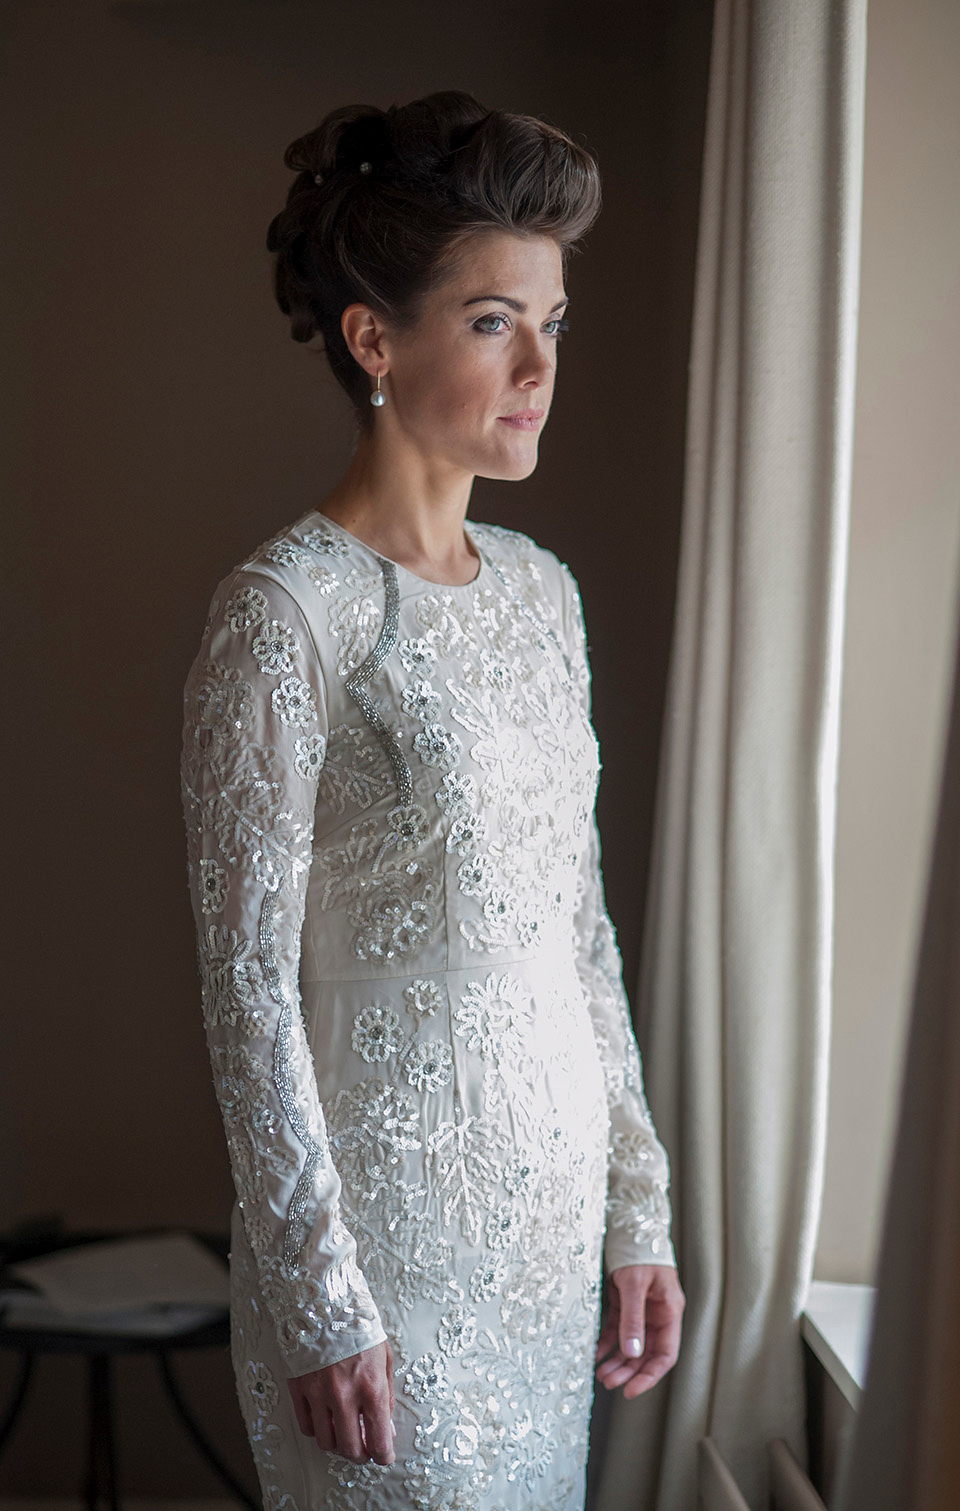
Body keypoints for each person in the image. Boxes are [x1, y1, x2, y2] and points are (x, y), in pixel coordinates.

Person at [180, 90, 685, 1511]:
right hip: (382, 1243)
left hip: (546, 1222)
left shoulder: (545, 597)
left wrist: (637, 1209)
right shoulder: (287, 614)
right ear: (373, 339)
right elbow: (245, 991)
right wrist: (315, 1290)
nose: (539, 366)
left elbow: (581, 927)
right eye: (491, 322)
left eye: (553, 322)